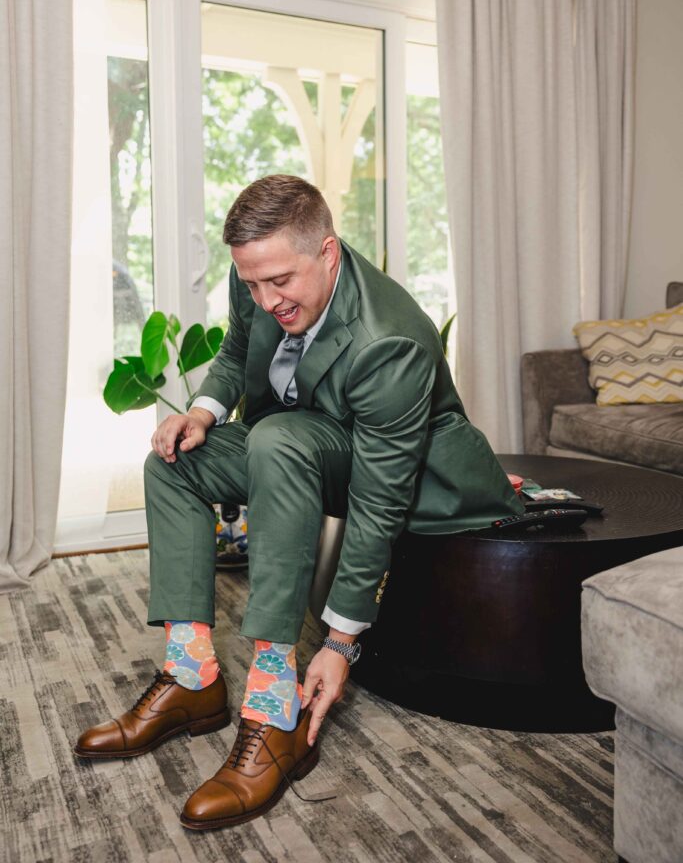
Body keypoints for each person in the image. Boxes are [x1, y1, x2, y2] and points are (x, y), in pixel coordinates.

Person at [74, 174, 521, 830]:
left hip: (397, 469)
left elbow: (376, 500)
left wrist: (340, 643)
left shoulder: (388, 338)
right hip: (289, 444)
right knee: (171, 462)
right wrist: (199, 413)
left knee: (280, 439)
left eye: (279, 281)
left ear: (328, 252)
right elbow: (235, 349)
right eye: (252, 284)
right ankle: (192, 677)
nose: (265, 297)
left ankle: (272, 703)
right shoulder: (260, 273)